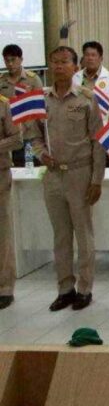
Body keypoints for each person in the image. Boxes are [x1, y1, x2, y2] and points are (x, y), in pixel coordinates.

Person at [22, 47, 105, 311]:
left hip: (80, 173)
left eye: (64, 62)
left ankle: (85, 288)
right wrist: (41, 154)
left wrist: (97, 180)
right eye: (55, 62)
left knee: (83, 234)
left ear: (75, 67)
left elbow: (98, 141)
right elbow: (33, 134)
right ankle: (65, 288)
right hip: (53, 174)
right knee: (60, 235)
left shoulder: (86, 98)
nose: (59, 66)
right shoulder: (40, 99)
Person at [0, 90, 22, 309]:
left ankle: (5, 288)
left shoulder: (4, 105)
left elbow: (17, 138)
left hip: (0, 174)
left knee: (2, 234)